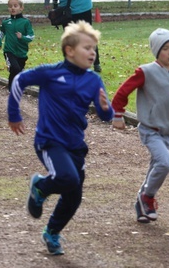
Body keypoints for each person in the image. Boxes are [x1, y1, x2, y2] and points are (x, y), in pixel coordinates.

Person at [8, 21, 113, 255]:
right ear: (69, 50)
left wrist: (106, 109)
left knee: (74, 195)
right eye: (87, 47)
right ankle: (40, 187)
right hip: (49, 140)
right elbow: (18, 80)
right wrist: (14, 114)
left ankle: (52, 232)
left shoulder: (93, 80)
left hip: (75, 145)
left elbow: (106, 115)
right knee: (66, 177)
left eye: (94, 48)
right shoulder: (51, 74)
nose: (92, 52)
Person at [111, 28, 169, 224]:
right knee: (165, 164)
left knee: (156, 165)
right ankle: (147, 197)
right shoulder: (146, 72)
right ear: (157, 51)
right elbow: (123, 92)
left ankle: (142, 203)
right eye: (165, 48)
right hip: (150, 130)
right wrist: (117, 115)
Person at [0, 0, 35, 90]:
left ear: (21, 8)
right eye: (10, 6)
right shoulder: (6, 22)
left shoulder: (26, 22)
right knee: (16, 68)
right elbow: (2, 32)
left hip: (22, 52)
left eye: (15, 6)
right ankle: (11, 88)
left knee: (17, 70)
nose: (12, 8)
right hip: (9, 50)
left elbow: (31, 36)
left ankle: (15, 84)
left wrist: (22, 37)